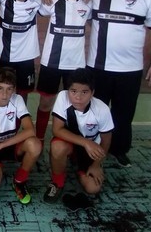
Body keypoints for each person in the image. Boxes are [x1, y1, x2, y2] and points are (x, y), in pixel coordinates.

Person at [43, 0, 151, 167]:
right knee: (88, 110)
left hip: (130, 69)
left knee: (123, 114)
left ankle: (118, 150)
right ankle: (80, 148)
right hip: (97, 67)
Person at [35, 0, 92, 148]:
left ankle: (71, 141)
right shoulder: (53, 0)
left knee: (75, 104)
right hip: (51, 62)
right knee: (46, 103)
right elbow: (36, 2)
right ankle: (40, 138)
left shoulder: (89, 2)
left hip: (76, 65)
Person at [43, 68, 113, 203]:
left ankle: (82, 168)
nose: (78, 97)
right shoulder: (63, 97)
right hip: (72, 143)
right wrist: (86, 142)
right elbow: (57, 130)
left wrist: (97, 164)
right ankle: (57, 182)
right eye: (73, 91)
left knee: (93, 188)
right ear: (68, 90)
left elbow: (106, 140)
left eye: (84, 92)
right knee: (57, 146)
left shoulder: (102, 109)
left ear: (92, 93)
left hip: (91, 150)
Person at [0, 67, 42, 205]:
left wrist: (2, 145)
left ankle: (19, 181)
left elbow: (30, 131)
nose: (4, 94)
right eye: (0, 88)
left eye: (9, 89)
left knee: (35, 144)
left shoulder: (17, 100)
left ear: (14, 90)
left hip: (9, 146)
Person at [0, 0, 42, 103]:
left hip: (26, 58)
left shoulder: (37, 1)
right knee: (3, 93)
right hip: (5, 56)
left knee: (23, 94)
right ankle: (3, 121)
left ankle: (20, 121)